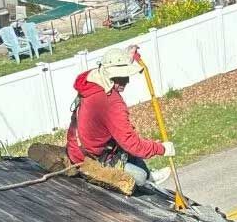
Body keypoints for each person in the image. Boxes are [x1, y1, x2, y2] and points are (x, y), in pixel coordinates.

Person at [66, 46, 174, 190]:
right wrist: (161, 149)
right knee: (140, 177)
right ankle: (147, 178)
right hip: (87, 159)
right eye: (122, 77)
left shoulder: (92, 80)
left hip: (77, 147)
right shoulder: (111, 102)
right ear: (111, 76)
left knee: (127, 147)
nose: (127, 81)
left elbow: (111, 65)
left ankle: (149, 175)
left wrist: (126, 57)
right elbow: (131, 143)